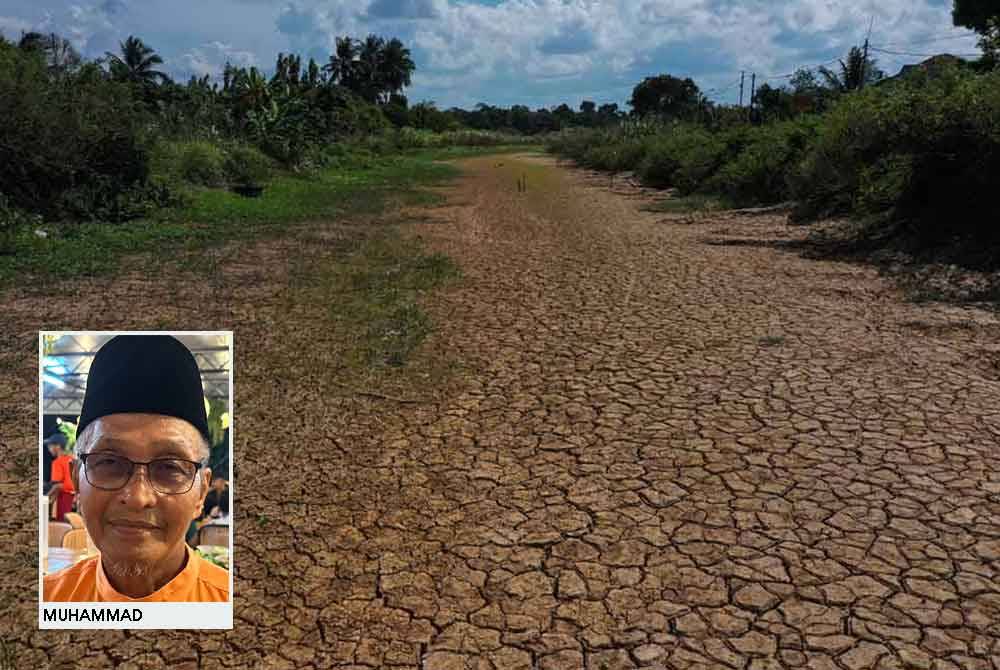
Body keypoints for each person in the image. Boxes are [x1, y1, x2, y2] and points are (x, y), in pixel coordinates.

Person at [44, 335, 229, 602]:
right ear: (77, 481)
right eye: (109, 462)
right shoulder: (50, 599)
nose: (138, 498)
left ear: (201, 492)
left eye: (170, 467)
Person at [45, 433, 75, 522]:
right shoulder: (73, 459)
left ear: (57, 446)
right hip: (76, 497)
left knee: (62, 525)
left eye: (50, 446)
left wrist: (46, 498)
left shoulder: (57, 462)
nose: (48, 449)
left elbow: (57, 485)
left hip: (65, 498)